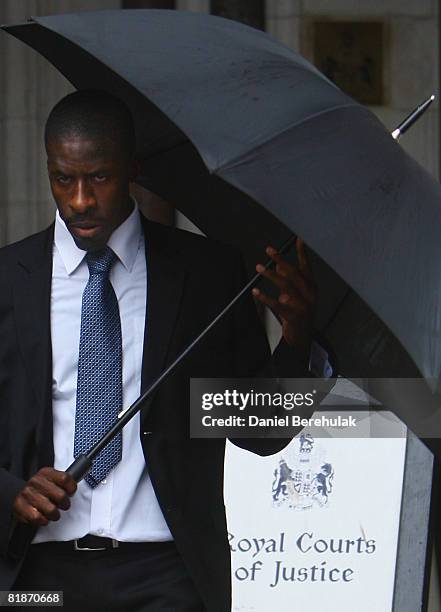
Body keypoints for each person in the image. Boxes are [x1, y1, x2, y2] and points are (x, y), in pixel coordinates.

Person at [0, 90, 319, 611]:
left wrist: (297, 337)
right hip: (36, 578)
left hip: (167, 577)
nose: (80, 200)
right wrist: (11, 491)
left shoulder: (208, 274)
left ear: (133, 170)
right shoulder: (7, 279)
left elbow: (260, 434)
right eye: (63, 178)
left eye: (99, 177)